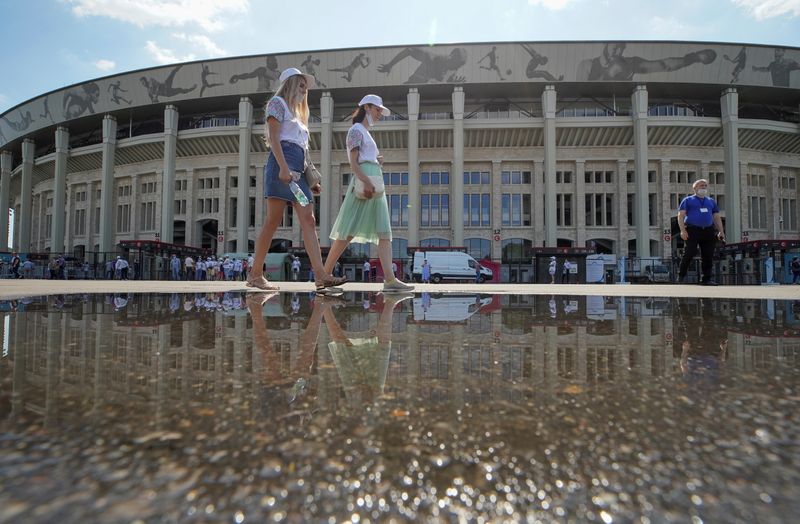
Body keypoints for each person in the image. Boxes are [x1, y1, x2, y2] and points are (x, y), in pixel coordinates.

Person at [247, 68, 346, 293]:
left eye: (305, 86)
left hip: (298, 174)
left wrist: (312, 180)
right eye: (300, 84)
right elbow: (273, 138)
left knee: (309, 219)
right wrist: (283, 168)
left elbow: (303, 151)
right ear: (289, 84)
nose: (304, 89)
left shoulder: (299, 116)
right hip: (282, 168)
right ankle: (255, 275)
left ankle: (321, 275)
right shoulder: (277, 104)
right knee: (273, 220)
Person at [322, 95, 414, 293]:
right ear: (367, 107)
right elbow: (353, 163)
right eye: (378, 110)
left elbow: (363, 158)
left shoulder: (365, 132)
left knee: (384, 231)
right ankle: (324, 275)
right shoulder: (356, 130)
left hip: (373, 179)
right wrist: (366, 180)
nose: (380, 114)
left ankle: (389, 279)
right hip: (366, 181)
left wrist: (376, 161)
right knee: (348, 230)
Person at [677, 179, 725, 285]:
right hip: (692, 229)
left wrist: (721, 231)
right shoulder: (688, 200)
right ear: (695, 188)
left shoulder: (711, 201)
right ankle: (681, 276)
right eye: (701, 185)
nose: (703, 187)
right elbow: (681, 216)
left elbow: (716, 217)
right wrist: (682, 231)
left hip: (708, 230)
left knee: (708, 255)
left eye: (705, 185)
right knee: (689, 252)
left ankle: (706, 279)